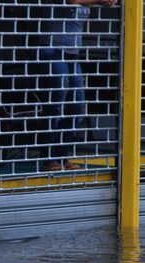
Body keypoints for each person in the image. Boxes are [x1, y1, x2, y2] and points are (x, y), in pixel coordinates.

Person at [36, 0, 117, 171]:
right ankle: (49, 159)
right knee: (56, 104)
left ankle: (63, 157)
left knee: (77, 106)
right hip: (53, 50)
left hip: (72, 53)